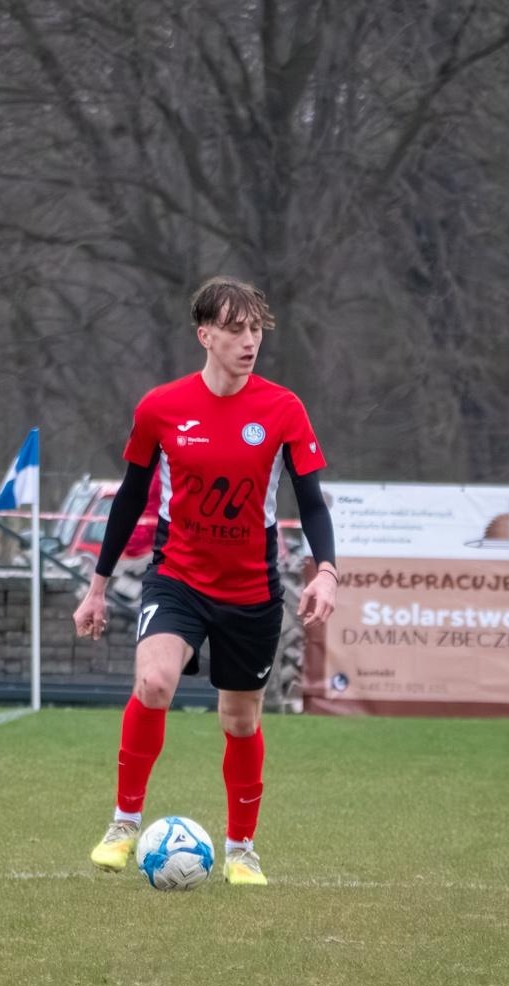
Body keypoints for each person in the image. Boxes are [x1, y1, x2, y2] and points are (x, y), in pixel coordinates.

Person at [73, 277, 339, 887]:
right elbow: (130, 498)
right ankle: (123, 823)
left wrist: (326, 570)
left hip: (251, 591)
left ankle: (241, 850)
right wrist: (97, 586)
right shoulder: (161, 408)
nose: (250, 342)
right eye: (237, 330)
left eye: (257, 331)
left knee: (240, 721)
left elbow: (314, 503)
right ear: (205, 335)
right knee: (155, 680)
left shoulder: (284, 409)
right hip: (178, 578)